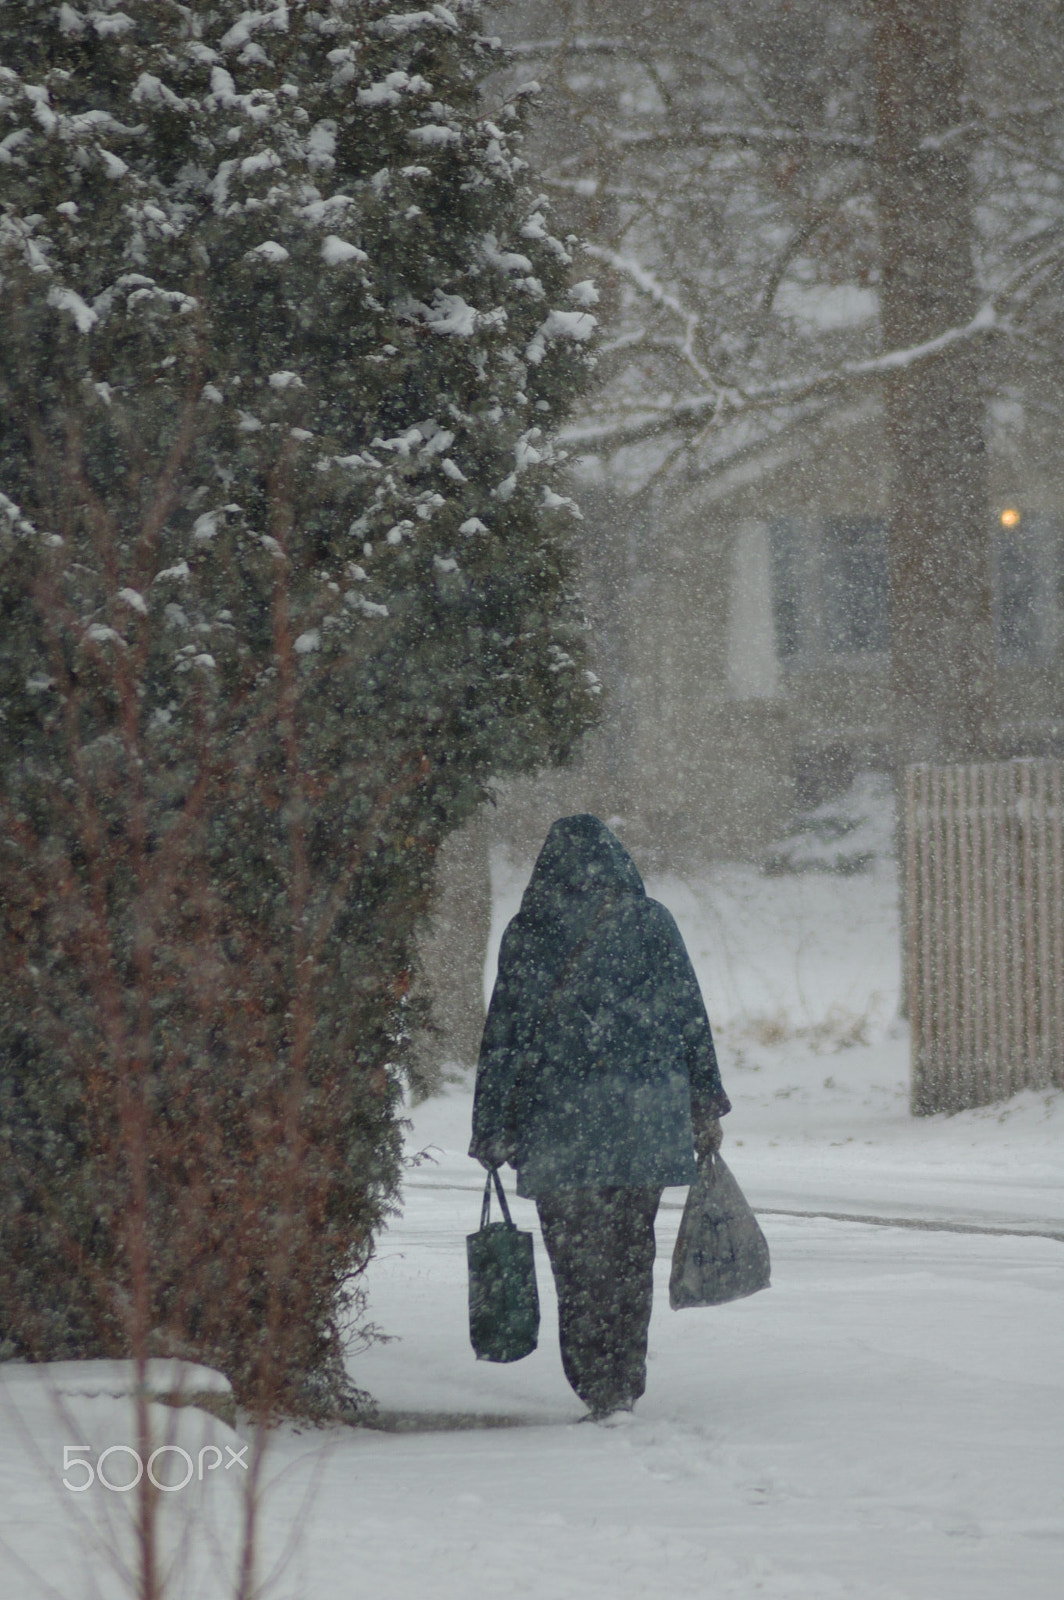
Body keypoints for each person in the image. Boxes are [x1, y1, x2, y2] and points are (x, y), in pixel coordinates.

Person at [469, 814, 730, 1420]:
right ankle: (623, 1380)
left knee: (577, 1264)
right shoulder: (651, 923)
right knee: (631, 1253)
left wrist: (491, 1126)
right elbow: (690, 1014)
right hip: (642, 1126)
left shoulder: (529, 932)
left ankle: (593, 1381)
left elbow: (503, 1037)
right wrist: (705, 1101)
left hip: (558, 1129)